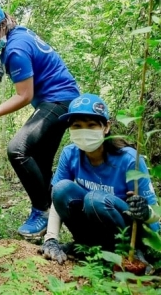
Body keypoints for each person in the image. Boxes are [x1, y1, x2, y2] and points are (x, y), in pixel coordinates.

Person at [0, 1, 80, 240]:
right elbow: (17, 52)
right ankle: (54, 217)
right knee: (39, 159)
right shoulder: (18, 35)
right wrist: (0, 65)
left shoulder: (16, 50)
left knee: (18, 149)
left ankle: (42, 210)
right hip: (63, 99)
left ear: (0, 24)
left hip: (58, 101)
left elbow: (24, 96)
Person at [39, 93, 160, 264]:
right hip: (93, 225)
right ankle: (88, 246)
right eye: (77, 126)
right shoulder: (70, 154)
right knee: (61, 188)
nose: (84, 131)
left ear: (106, 127)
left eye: (91, 125)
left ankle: (129, 255)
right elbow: (57, 198)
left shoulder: (129, 159)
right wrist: (51, 239)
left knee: (95, 199)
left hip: (127, 232)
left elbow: (155, 215)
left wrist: (145, 212)